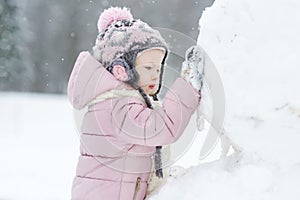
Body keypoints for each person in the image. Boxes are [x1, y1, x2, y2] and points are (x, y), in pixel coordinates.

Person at [67, 7, 204, 200]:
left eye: (159, 67)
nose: (156, 74)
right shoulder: (118, 106)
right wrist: (189, 87)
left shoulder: (114, 100)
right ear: (121, 69)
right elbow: (163, 128)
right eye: (148, 67)